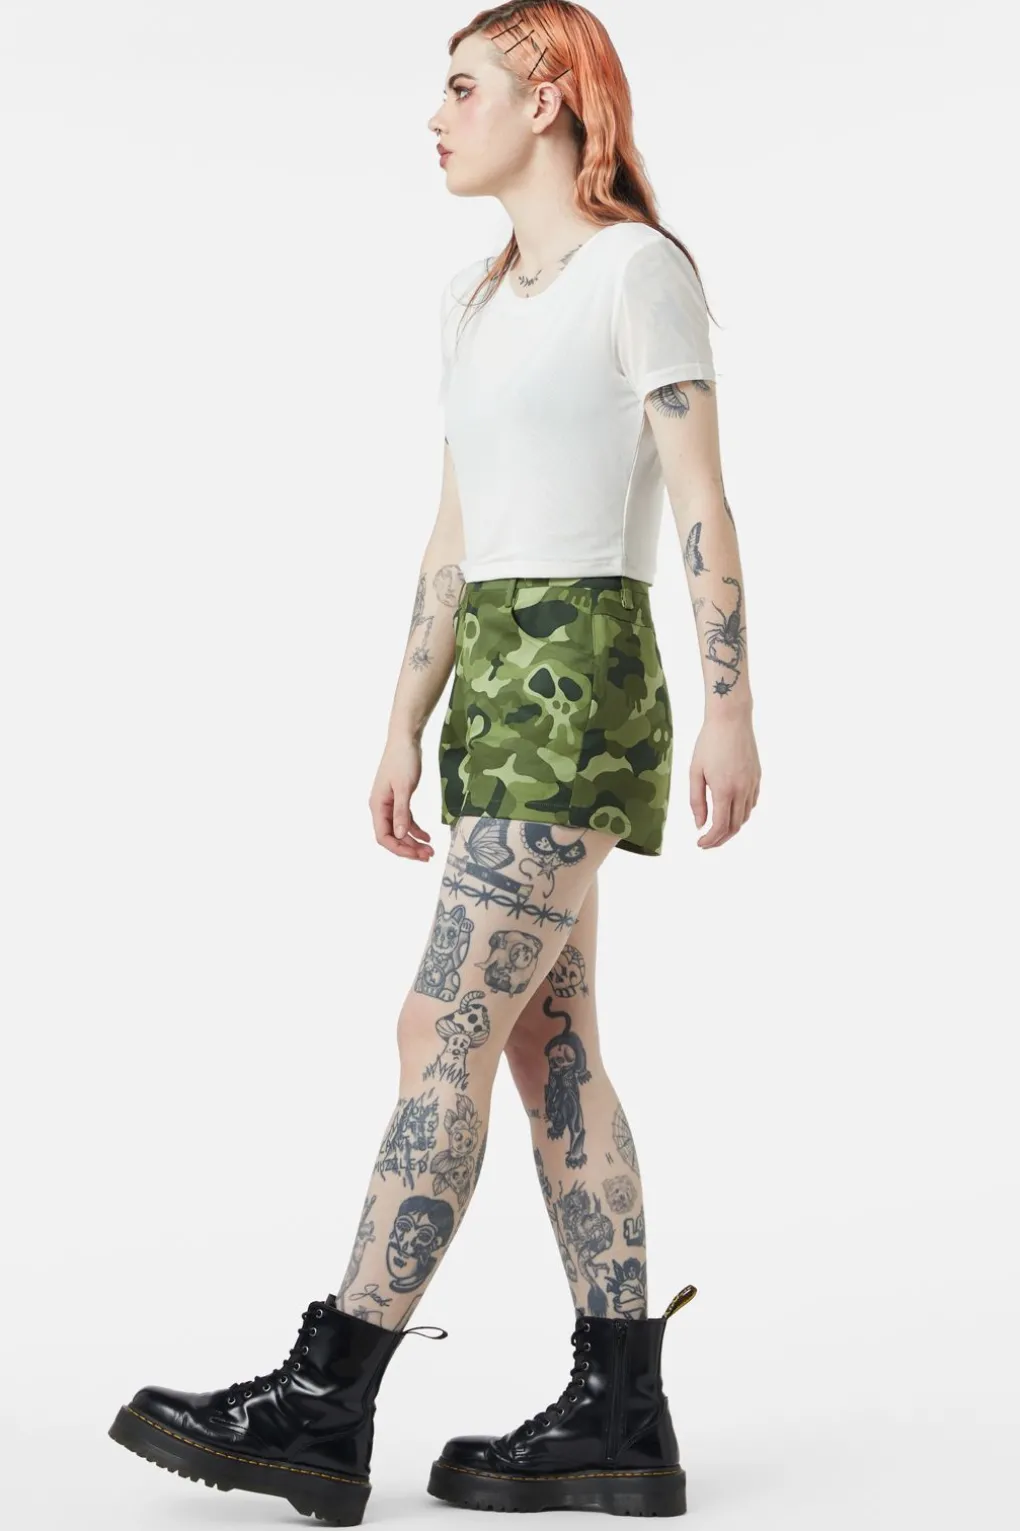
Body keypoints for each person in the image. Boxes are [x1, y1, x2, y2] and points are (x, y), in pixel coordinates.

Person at [108, 3, 761, 1523]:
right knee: (547, 1046)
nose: (436, 115)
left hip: (582, 671)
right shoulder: (472, 302)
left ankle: (326, 1395)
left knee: (438, 1019)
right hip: (493, 688)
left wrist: (731, 704)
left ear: (550, 98)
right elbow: (458, 529)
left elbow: (702, 503)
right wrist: (404, 713)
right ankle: (621, 1412)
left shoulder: (636, 271)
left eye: (464, 87)